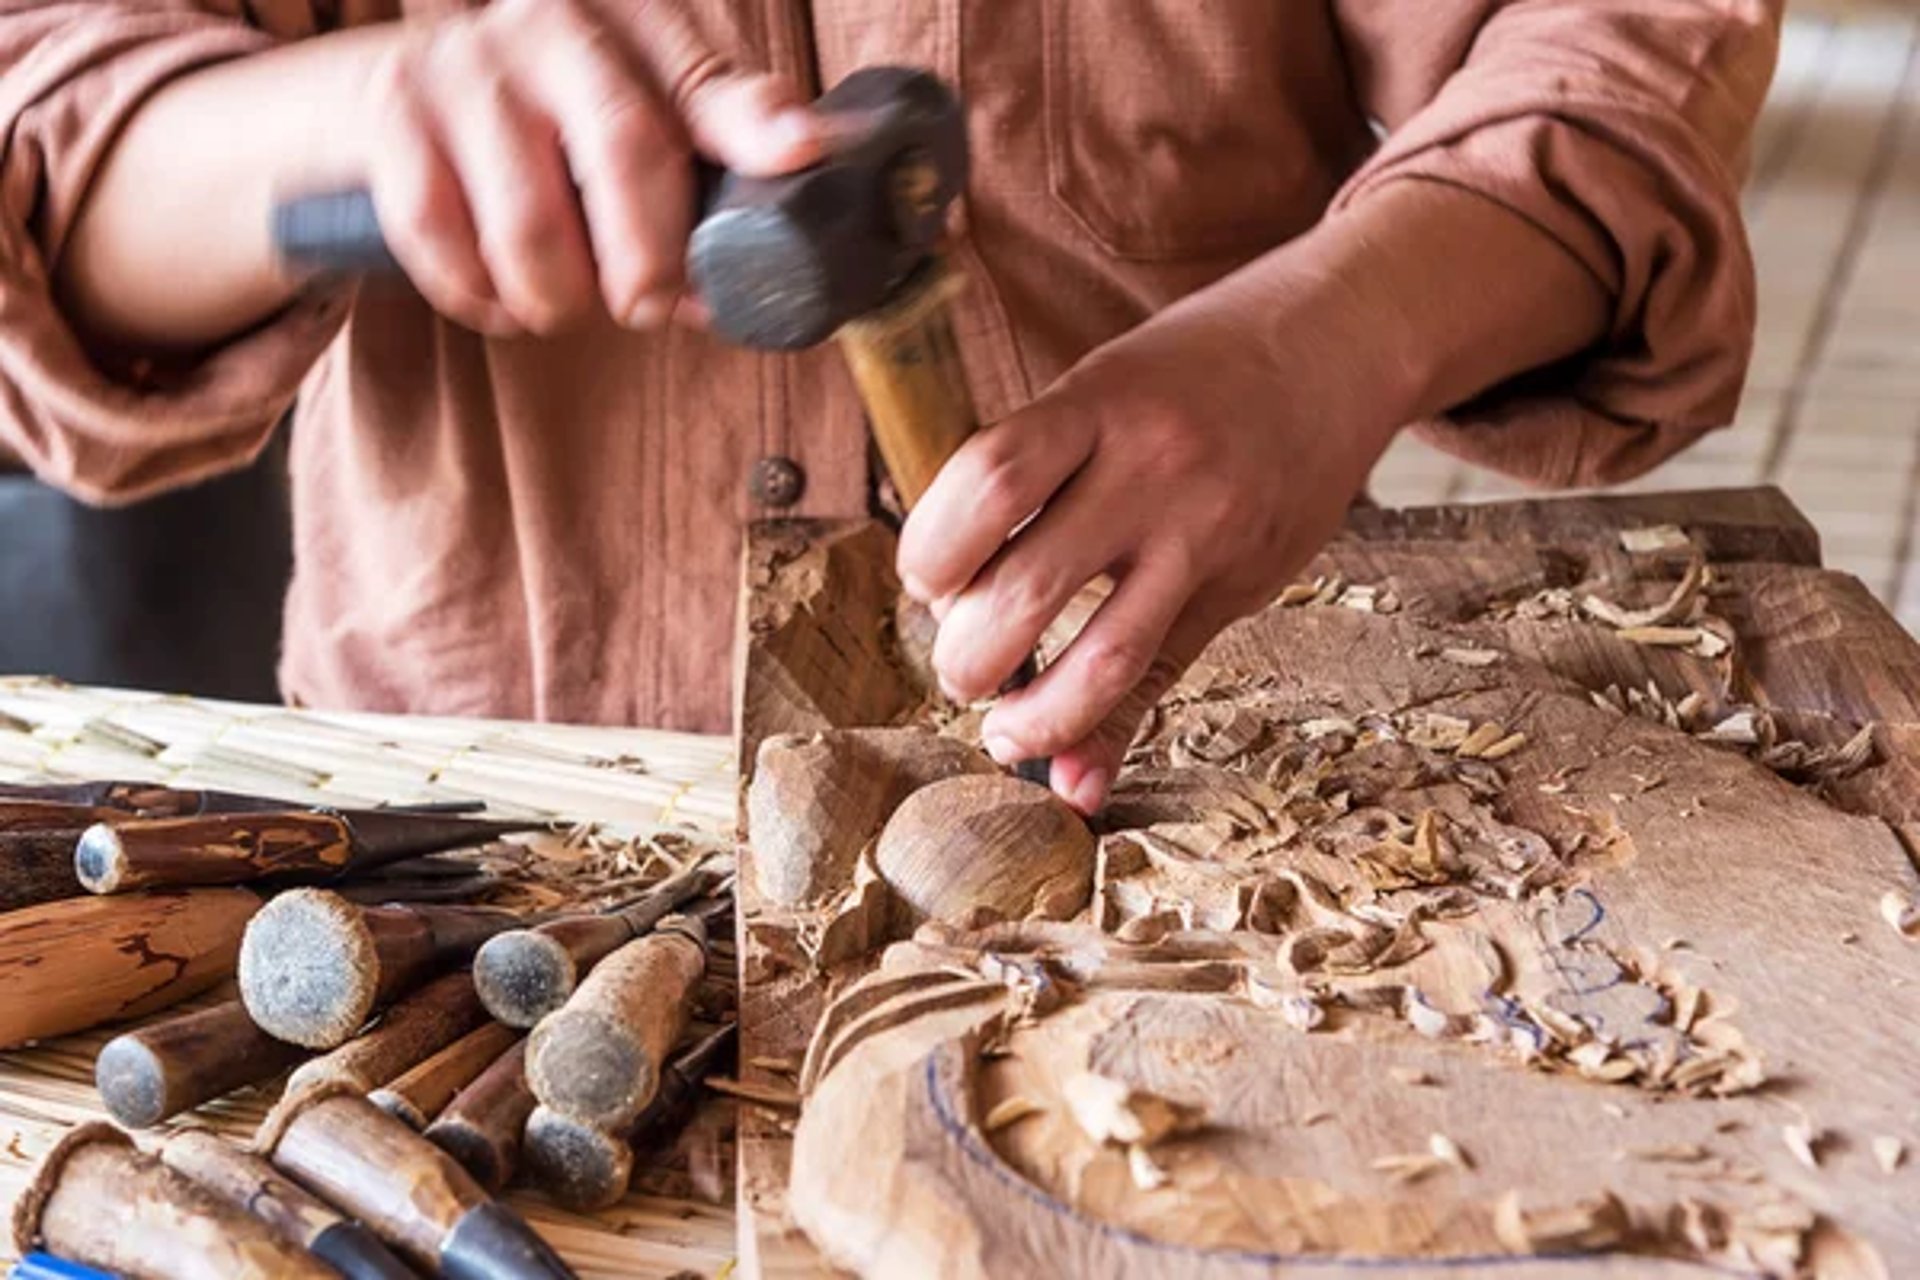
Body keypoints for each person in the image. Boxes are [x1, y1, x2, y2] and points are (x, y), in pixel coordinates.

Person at [0, 2, 1778, 814]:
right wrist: (358, 114)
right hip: (497, 816)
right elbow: (45, 136)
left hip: (1184, 792)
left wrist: (1324, 345)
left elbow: (1618, 55)